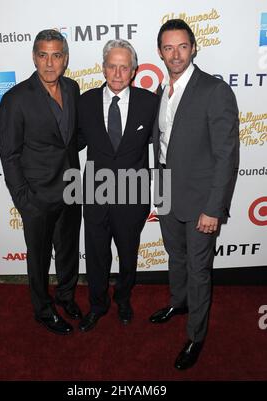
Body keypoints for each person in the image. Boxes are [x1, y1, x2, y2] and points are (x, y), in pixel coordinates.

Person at [149, 19, 239, 369]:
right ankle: (179, 301)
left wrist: (213, 208)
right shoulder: (161, 91)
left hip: (202, 202)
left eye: (182, 46)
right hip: (168, 196)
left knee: (199, 269)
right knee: (176, 258)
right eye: (168, 48)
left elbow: (225, 156)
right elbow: (162, 146)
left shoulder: (214, 91)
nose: (175, 54)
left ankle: (196, 335)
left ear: (194, 48)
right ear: (160, 52)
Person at [0, 29, 82, 335]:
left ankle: (66, 296)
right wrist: (24, 201)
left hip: (71, 190)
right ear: (34, 57)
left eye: (56, 55)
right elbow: (9, 154)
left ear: (65, 59)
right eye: (43, 55)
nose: (49, 63)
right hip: (37, 196)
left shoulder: (72, 89)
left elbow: (70, 140)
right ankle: (43, 310)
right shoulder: (15, 99)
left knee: (69, 250)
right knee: (39, 259)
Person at [77, 39, 158, 332]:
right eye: (112, 66)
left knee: (128, 254)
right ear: (103, 68)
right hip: (95, 194)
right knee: (96, 254)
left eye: (124, 67)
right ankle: (97, 305)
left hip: (132, 195)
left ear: (134, 71)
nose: (117, 73)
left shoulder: (150, 103)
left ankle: (123, 299)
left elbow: (164, 148)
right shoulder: (84, 102)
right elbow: (72, 143)